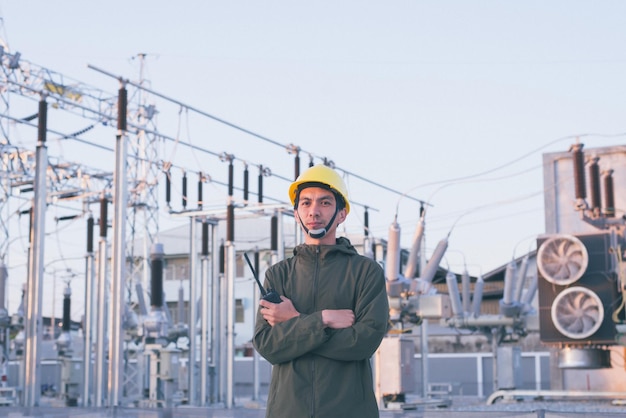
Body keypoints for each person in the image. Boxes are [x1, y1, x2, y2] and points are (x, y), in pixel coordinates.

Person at [253, 164, 390, 418]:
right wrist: (324, 319)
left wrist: (294, 321)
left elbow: (362, 343)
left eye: (325, 203)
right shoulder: (278, 275)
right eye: (305, 203)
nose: (314, 211)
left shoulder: (366, 272)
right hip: (288, 411)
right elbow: (268, 346)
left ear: (341, 214)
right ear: (296, 213)